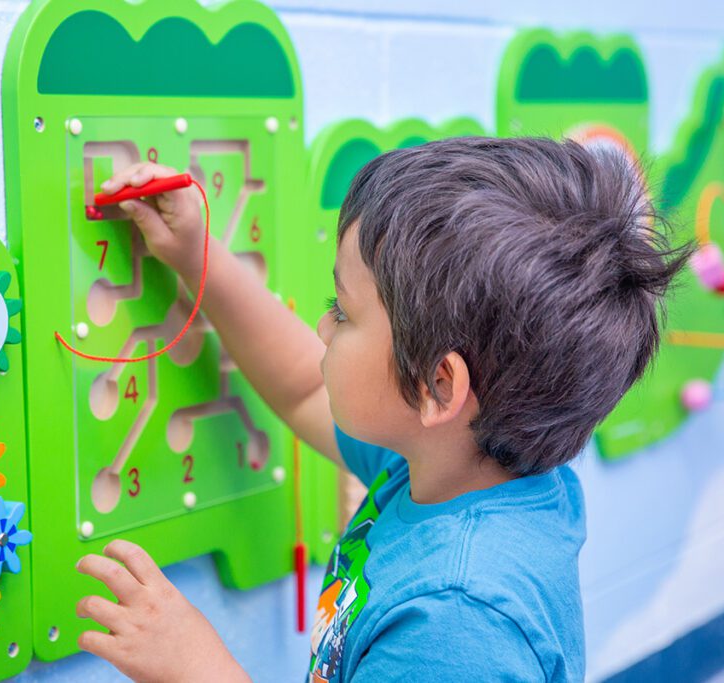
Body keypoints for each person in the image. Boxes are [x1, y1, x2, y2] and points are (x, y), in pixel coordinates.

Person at [73, 137, 688, 682]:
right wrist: (196, 257)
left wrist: (197, 669)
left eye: (342, 311)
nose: (320, 327)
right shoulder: (463, 463)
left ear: (437, 388)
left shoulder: (457, 621)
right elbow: (303, 387)